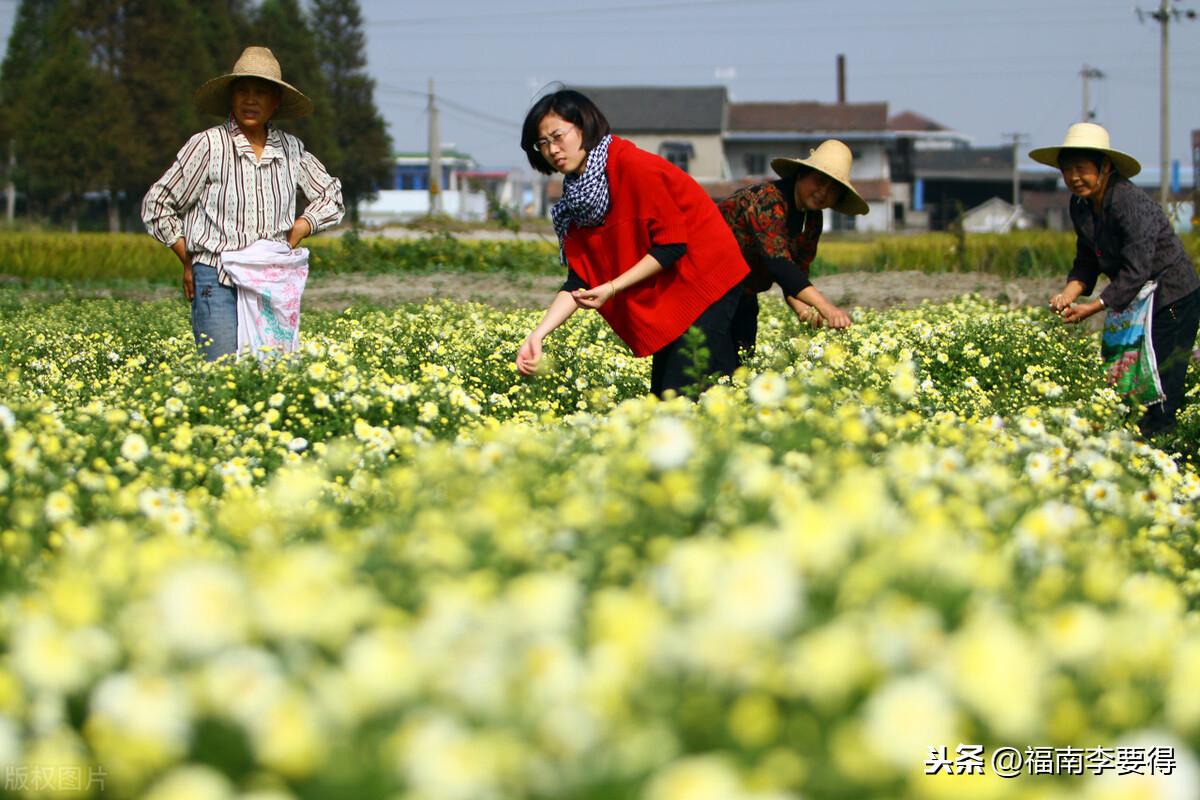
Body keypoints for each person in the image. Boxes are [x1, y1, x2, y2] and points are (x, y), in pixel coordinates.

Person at [515, 89, 749, 397]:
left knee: (684, 395)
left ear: (584, 127)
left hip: (708, 279)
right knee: (674, 396)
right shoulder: (576, 199)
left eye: (558, 136)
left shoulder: (633, 166)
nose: (552, 149)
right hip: (673, 288)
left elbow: (671, 245)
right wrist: (539, 334)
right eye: (542, 143)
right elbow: (579, 279)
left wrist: (612, 287)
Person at [141, 46, 344, 361]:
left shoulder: (291, 150)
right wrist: (187, 258)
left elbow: (331, 195)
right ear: (231, 99)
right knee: (222, 371)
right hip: (216, 276)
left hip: (271, 281)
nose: (251, 100)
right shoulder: (209, 145)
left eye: (260, 93)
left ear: (274, 102)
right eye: (243, 92)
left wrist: (300, 228)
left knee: (271, 373)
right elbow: (157, 205)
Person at [1031, 122, 1200, 436]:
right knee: (1128, 381)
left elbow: (1137, 269)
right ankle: (1137, 445)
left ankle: (1164, 452)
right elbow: (1086, 260)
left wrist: (1093, 307)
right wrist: (1069, 294)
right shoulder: (1080, 205)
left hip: (1172, 298)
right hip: (1136, 300)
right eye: (1067, 171)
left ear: (1104, 167)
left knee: (1160, 379)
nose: (1074, 178)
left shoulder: (1128, 202)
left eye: (1081, 169)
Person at [718, 140, 868, 356]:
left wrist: (804, 309)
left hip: (743, 296)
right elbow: (779, 264)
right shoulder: (768, 200)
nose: (822, 193)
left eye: (832, 189)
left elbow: (796, 273)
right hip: (706, 293)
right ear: (801, 174)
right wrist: (826, 308)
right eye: (819, 181)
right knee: (706, 375)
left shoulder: (813, 219)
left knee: (740, 371)